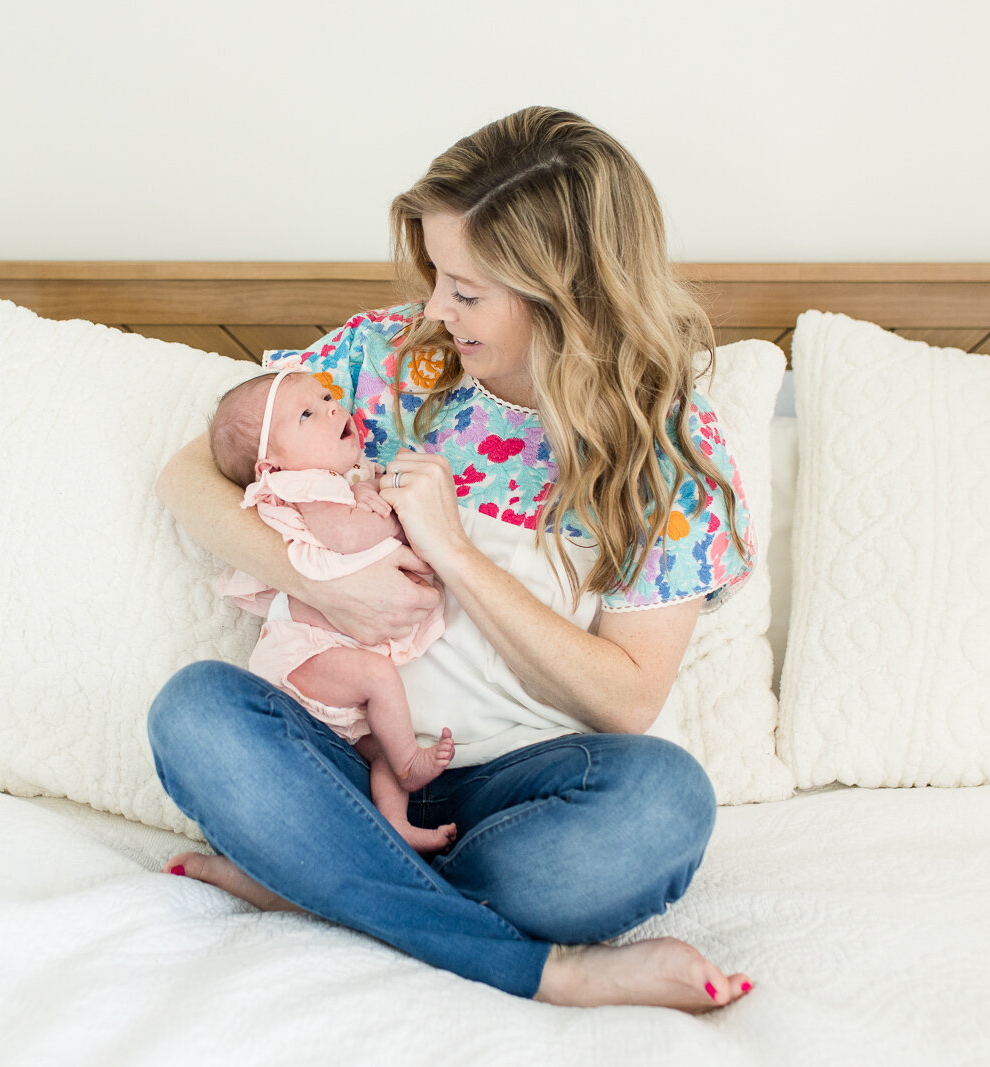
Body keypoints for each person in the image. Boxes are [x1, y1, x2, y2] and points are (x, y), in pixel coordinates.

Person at [149, 105, 758, 1012]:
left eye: (467, 291)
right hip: (347, 763)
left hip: (518, 791)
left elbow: (626, 698)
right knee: (196, 711)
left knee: (666, 804)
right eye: (437, 275)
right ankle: (544, 969)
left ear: (568, 293)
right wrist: (324, 581)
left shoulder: (662, 453)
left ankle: (323, 876)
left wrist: (459, 556)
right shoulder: (393, 362)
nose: (435, 308)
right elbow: (188, 473)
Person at [207, 368, 457, 853]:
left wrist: (368, 491)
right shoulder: (302, 487)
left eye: (326, 397)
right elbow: (346, 535)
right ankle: (407, 767)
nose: (330, 409)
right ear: (270, 466)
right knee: (381, 679)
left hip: (333, 667)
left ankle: (397, 826)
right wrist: (389, 512)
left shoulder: (344, 479)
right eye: (306, 414)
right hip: (309, 656)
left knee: (381, 744)